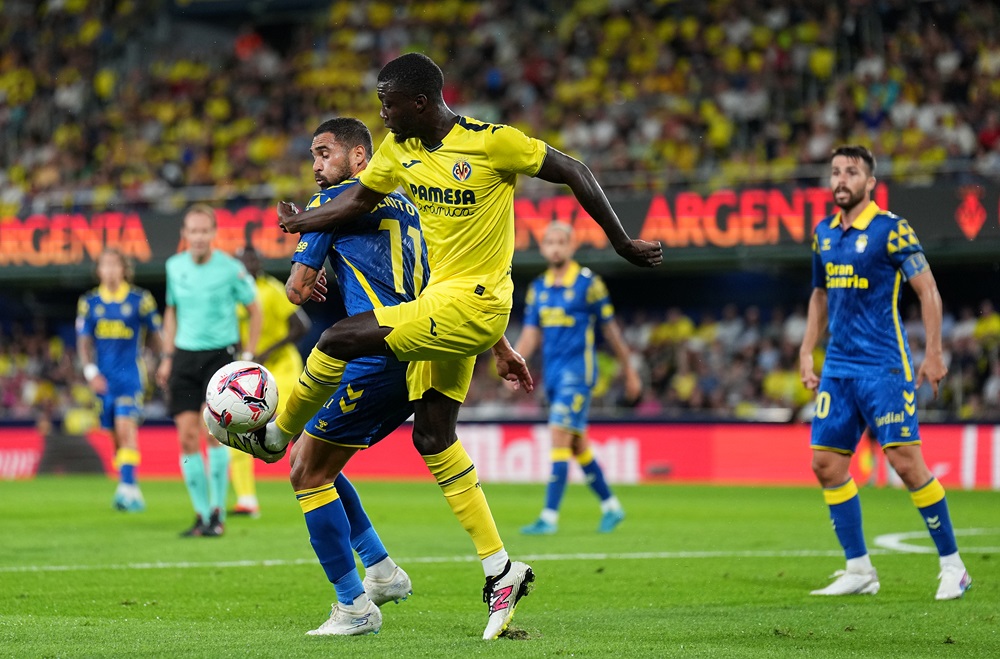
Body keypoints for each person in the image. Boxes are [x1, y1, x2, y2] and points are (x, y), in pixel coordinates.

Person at [248, 52, 661, 640]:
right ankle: (501, 569)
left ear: (421, 102)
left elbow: (573, 169)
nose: (384, 117)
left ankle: (276, 434)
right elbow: (358, 202)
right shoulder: (399, 151)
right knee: (433, 436)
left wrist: (619, 241)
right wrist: (299, 226)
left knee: (340, 336)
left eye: (390, 105)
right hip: (444, 308)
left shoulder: (493, 144)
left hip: (476, 302)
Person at [212, 117, 421, 636]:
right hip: (420, 349)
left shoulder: (331, 205)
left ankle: (354, 608)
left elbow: (297, 290)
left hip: (378, 356)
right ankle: (382, 571)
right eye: (312, 155)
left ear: (359, 157)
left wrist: (310, 246)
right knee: (316, 458)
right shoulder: (405, 202)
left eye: (325, 152)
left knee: (304, 473)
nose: (316, 164)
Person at [799, 145, 971, 600]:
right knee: (826, 463)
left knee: (905, 463)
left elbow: (928, 289)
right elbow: (819, 295)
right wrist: (805, 350)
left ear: (870, 182)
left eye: (851, 172)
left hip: (884, 366)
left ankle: (953, 566)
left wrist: (933, 354)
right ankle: (859, 568)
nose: (841, 180)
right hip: (838, 369)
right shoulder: (824, 233)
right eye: (835, 172)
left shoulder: (891, 231)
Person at [515, 221, 640, 535]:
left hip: (578, 374)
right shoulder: (538, 288)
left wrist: (630, 369)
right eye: (550, 242)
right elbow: (531, 334)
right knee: (576, 443)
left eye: (561, 242)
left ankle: (549, 517)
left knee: (558, 435)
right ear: (543, 249)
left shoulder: (588, 284)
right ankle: (611, 506)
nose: (556, 247)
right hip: (553, 377)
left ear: (571, 247)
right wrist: (514, 361)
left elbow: (610, 330)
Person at [155, 204, 262, 537]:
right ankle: (201, 516)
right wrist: (168, 355)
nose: (198, 237)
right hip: (184, 357)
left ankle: (217, 513)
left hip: (220, 358)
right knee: (187, 438)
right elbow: (171, 311)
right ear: (184, 235)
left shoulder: (230, 269)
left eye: (204, 231)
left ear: (213, 234)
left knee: (213, 434)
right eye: (192, 231)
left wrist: (248, 355)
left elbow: (254, 308)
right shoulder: (174, 267)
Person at [76, 247, 163, 511]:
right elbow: (84, 342)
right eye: (106, 265)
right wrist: (90, 373)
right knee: (115, 439)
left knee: (126, 429)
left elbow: (157, 335)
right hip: (103, 380)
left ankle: (127, 488)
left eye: (116, 264)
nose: (111, 270)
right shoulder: (89, 302)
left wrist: (162, 361)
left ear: (124, 268)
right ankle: (130, 487)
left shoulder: (141, 299)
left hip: (131, 377)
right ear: (99, 270)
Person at [229, 245, 311, 518]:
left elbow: (301, 326)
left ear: (259, 261)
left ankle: (313, 483)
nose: (247, 264)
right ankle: (246, 500)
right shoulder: (232, 294)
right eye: (242, 260)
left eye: (251, 258)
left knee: (291, 427)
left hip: (282, 369)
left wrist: (266, 353)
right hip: (250, 373)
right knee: (236, 427)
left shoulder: (273, 290)